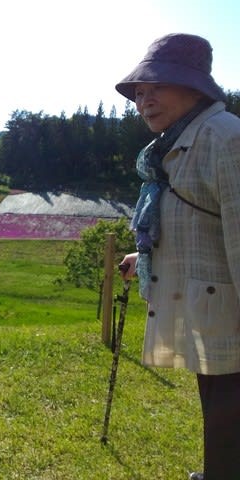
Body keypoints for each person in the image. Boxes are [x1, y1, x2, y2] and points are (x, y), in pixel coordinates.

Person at [116, 34, 240, 480]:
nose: (144, 101)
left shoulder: (225, 139)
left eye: (157, 88)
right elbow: (197, 224)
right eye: (139, 92)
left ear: (194, 87)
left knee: (229, 414)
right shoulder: (179, 142)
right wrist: (144, 255)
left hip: (229, 314)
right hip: (211, 309)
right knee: (220, 412)